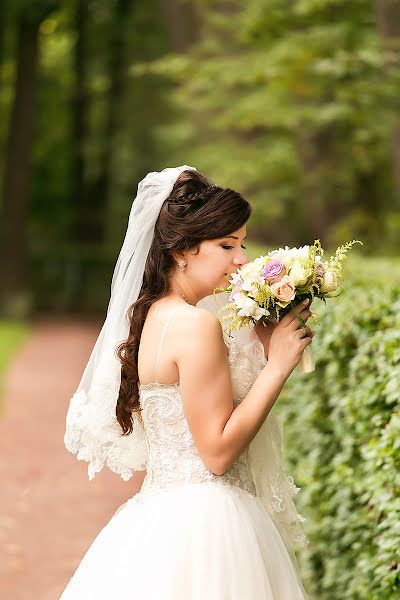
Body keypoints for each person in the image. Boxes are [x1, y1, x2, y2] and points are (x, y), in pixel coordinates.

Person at [60, 166, 314, 599]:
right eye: (226, 244)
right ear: (182, 250)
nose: (241, 259)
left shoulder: (156, 315)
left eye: (243, 244)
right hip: (210, 522)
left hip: (158, 516)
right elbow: (215, 453)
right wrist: (277, 367)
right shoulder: (196, 325)